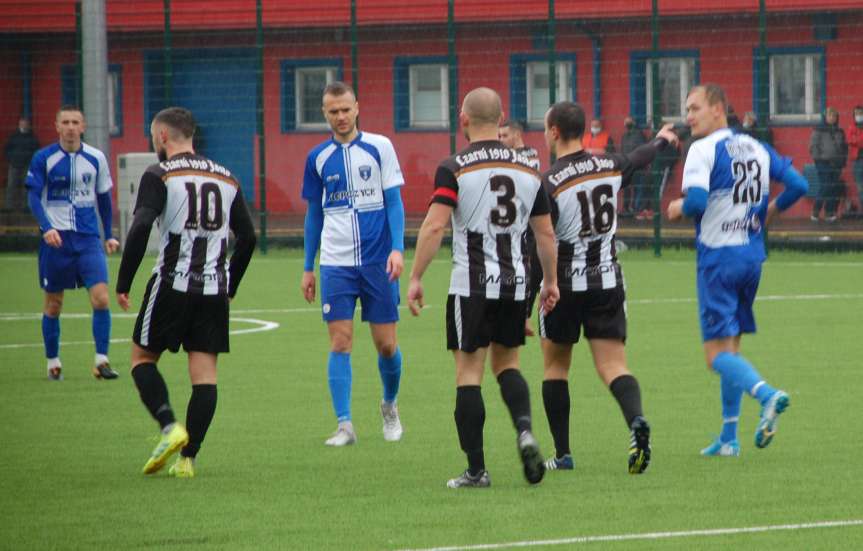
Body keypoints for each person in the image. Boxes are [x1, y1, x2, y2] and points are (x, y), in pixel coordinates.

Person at [407, 87, 560, 488]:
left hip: (471, 285)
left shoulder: (453, 167)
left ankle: (476, 470)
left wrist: (417, 276)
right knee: (507, 365)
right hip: (514, 285)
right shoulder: (530, 169)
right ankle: (525, 430)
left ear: (463, 120)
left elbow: (435, 225)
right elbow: (545, 234)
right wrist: (550, 283)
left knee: (468, 373)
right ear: (501, 119)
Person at [667, 84, 808, 457]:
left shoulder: (703, 149)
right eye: (686, 110)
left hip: (718, 258)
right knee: (731, 347)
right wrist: (770, 213)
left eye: (694, 107)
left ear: (719, 109)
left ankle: (767, 394)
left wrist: (678, 207)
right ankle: (729, 438)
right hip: (751, 256)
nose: (688, 116)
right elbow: (799, 184)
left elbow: (697, 201)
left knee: (715, 356)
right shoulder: (754, 146)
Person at [538, 101, 678, 475]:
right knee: (613, 365)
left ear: (553, 131)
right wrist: (663, 140)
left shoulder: (549, 182)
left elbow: (543, 239)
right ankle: (635, 421)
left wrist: (538, 289)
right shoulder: (609, 164)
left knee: (555, 367)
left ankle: (563, 454)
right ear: (583, 130)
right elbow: (639, 157)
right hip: (608, 281)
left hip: (565, 285)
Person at [115, 107, 256, 477]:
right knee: (205, 376)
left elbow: (142, 224)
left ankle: (169, 427)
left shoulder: (159, 173)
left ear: (162, 136)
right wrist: (231, 286)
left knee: (142, 359)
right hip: (213, 290)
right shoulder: (228, 178)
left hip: (171, 283)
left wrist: (124, 281)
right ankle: (188, 459)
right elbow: (249, 237)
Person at [301, 81, 406, 447]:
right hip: (336, 263)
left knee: (386, 346)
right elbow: (314, 214)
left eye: (346, 109)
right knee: (341, 342)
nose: (341, 117)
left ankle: (389, 405)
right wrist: (308, 266)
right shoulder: (317, 158)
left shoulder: (380, 148)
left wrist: (397, 249)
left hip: (378, 261)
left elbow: (394, 202)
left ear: (357, 107)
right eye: (334, 111)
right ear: (324, 114)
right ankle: (345, 425)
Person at [25, 105, 119, 381]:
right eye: (64, 122)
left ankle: (101, 362)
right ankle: (53, 362)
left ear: (83, 126)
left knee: (101, 298)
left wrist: (109, 234)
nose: (69, 127)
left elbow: (103, 197)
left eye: (75, 122)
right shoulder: (43, 158)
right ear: (57, 127)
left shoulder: (96, 158)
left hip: (88, 239)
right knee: (54, 304)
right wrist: (47, 227)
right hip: (56, 240)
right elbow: (33, 197)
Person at [499, 119, 542, 337]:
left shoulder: (529, 155)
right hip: (509, 221)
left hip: (528, 222)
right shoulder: (506, 157)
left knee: (530, 269)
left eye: (504, 135)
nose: (501, 140)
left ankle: (523, 316)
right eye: (499, 136)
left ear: (516, 135)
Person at [809, 107, 848, 222]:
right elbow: (813, 146)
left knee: (833, 188)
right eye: (830, 116)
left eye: (834, 116)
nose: (832, 118)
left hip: (837, 164)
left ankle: (829, 213)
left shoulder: (839, 131)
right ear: (825, 117)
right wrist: (818, 160)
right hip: (823, 163)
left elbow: (844, 147)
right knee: (825, 186)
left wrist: (843, 160)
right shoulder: (818, 130)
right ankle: (816, 210)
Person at [5, 116, 40, 211]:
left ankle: (26, 206)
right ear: (19, 124)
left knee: (26, 187)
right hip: (14, 165)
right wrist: (11, 160)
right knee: (11, 186)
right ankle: (9, 206)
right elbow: (7, 149)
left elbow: (37, 151)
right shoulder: (14, 136)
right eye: (22, 123)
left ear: (28, 125)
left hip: (27, 166)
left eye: (25, 123)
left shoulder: (32, 138)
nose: (24, 125)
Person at [620, 115, 649, 216]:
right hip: (626, 165)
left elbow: (642, 149)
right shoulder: (625, 136)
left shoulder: (639, 135)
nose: (626, 124)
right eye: (625, 122)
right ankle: (627, 208)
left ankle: (636, 208)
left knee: (637, 188)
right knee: (627, 187)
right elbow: (622, 149)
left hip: (637, 165)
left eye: (628, 122)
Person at [847, 105, 863, 214]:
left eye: (861, 113)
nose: (859, 115)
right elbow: (849, 140)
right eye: (856, 113)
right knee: (860, 187)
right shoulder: (851, 127)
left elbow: (855, 141)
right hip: (857, 161)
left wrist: (856, 140)